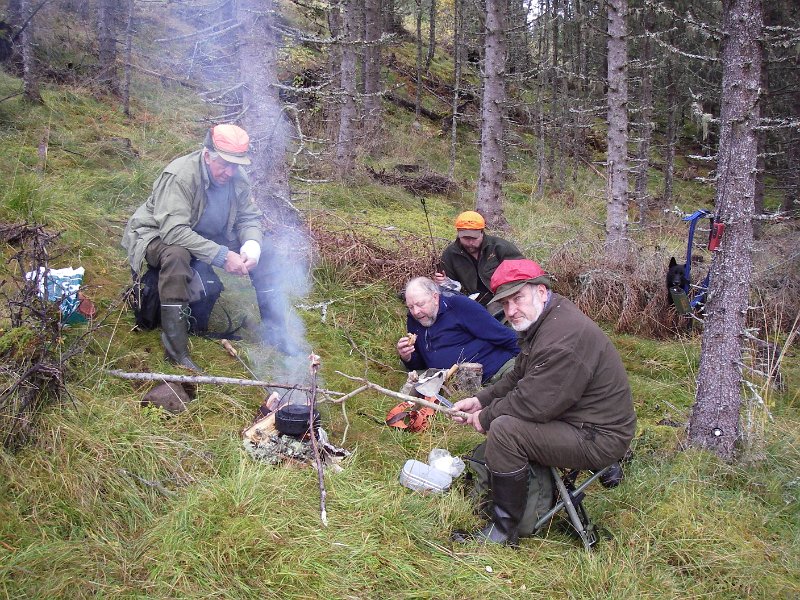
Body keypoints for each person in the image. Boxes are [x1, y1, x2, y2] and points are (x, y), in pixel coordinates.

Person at [450, 259, 636, 546]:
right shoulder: (547, 318)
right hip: (577, 420)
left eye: (518, 298)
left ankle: (504, 530)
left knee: (505, 430)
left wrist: (486, 417)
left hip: (600, 436)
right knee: (503, 421)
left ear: (540, 290)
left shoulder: (563, 337)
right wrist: (480, 400)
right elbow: (519, 376)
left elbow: (534, 405)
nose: (511, 311)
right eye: (505, 303)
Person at [122, 124, 290, 370]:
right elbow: (173, 231)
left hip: (205, 233)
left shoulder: (237, 178)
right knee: (177, 256)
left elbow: (248, 218)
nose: (230, 172)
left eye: (236, 165)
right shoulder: (180, 175)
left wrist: (252, 245)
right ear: (207, 155)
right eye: (225, 164)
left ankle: (276, 336)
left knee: (268, 253)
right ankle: (177, 354)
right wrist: (222, 256)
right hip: (157, 234)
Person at [396, 277, 519, 385]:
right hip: (459, 386)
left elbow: (505, 337)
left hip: (496, 372)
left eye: (421, 304)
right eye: (410, 307)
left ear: (435, 297)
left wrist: (526, 361)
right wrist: (408, 357)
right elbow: (422, 363)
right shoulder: (414, 320)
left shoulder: (460, 307)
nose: (416, 311)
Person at [433, 211, 524, 309]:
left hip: (503, 297)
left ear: (482, 232)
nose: (470, 242)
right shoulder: (450, 254)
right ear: (458, 234)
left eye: (474, 238)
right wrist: (444, 281)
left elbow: (523, 274)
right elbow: (451, 290)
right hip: (474, 301)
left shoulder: (500, 247)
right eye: (466, 238)